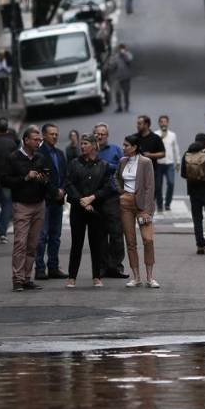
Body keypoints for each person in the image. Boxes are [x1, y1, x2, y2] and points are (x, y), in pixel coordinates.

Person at [3, 126, 55, 292]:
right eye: (35, 139)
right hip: (22, 205)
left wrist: (43, 179)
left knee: (33, 244)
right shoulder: (13, 158)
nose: (38, 142)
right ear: (25, 140)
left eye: (39, 140)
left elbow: (48, 175)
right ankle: (17, 279)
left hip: (39, 204)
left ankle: (27, 278)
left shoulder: (41, 157)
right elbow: (5, 180)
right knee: (20, 243)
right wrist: (25, 178)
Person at [64, 134, 117, 288]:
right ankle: (72, 276)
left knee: (97, 244)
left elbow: (109, 187)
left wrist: (92, 198)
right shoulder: (74, 163)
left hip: (96, 209)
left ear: (94, 145)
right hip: (78, 209)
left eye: (85, 143)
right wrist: (82, 200)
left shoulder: (104, 165)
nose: (82, 146)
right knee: (76, 244)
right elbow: (68, 183)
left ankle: (97, 276)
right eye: (81, 144)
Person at [117, 134, 158, 287]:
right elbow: (116, 178)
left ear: (134, 147)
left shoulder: (145, 162)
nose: (123, 147)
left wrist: (147, 210)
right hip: (126, 203)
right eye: (123, 144)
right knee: (130, 241)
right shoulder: (122, 161)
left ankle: (150, 277)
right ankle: (136, 277)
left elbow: (150, 186)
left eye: (126, 145)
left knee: (148, 240)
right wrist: (121, 192)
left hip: (142, 204)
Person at [35, 124, 69, 280]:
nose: (54, 136)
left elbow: (65, 174)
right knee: (42, 236)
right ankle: (40, 268)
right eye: (51, 134)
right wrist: (54, 191)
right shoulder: (38, 154)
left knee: (55, 236)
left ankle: (53, 266)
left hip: (58, 200)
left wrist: (62, 190)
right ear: (44, 135)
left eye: (56, 134)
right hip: (45, 200)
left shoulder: (60, 154)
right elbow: (41, 178)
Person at [94, 123, 128, 278]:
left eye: (103, 134)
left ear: (107, 136)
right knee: (99, 235)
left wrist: (107, 165)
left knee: (116, 233)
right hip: (96, 197)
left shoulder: (115, 150)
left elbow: (124, 168)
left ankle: (116, 266)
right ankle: (102, 266)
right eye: (97, 134)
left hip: (113, 197)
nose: (100, 136)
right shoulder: (90, 151)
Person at [155, 115, 181, 211]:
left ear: (168, 123)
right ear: (159, 123)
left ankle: (168, 203)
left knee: (171, 183)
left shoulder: (172, 135)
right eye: (161, 122)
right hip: (158, 163)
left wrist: (178, 162)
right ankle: (160, 204)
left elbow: (176, 148)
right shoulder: (155, 134)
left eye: (165, 121)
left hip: (169, 163)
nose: (163, 123)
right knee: (158, 185)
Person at [110, 44, 134, 113]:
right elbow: (112, 65)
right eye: (120, 49)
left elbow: (129, 61)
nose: (121, 50)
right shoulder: (115, 56)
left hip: (126, 77)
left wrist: (124, 55)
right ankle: (119, 106)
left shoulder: (128, 55)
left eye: (123, 48)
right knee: (117, 92)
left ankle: (126, 105)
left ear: (125, 49)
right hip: (118, 77)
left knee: (126, 92)